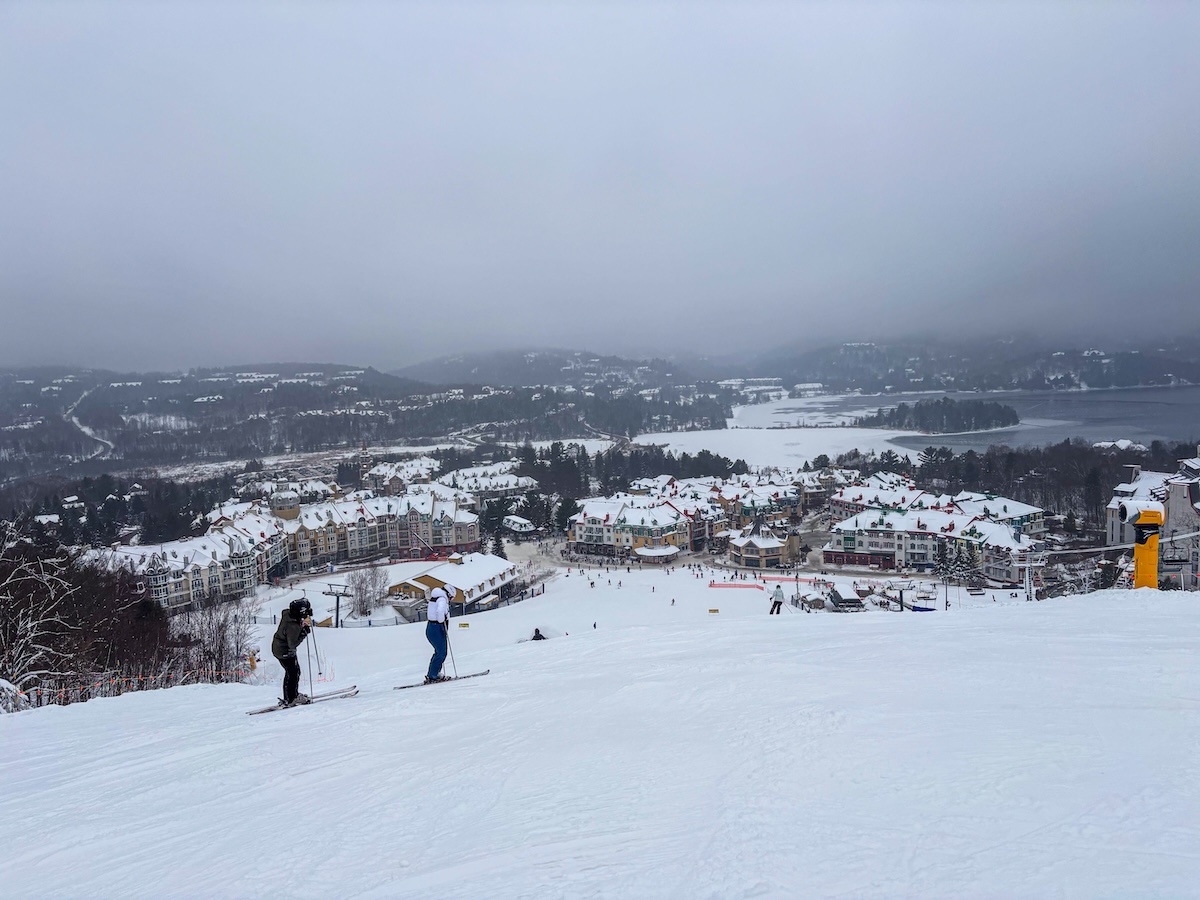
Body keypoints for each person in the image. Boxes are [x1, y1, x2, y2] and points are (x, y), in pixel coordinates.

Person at [272, 598, 313, 707]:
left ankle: (290, 696)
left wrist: (301, 624)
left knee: (291, 672)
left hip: (279, 647)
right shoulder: (292, 626)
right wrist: (303, 633)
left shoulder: (289, 616)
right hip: (285, 651)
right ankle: (292, 698)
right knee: (293, 673)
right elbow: (293, 644)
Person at [425, 585, 452, 684]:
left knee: (439, 652)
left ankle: (434, 673)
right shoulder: (442, 599)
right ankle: (433, 675)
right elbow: (440, 611)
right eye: (451, 597)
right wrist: (442, 619)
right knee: (441, 652)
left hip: (431, 627)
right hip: (437, 628)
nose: (450, 600)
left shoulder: (435, 597)